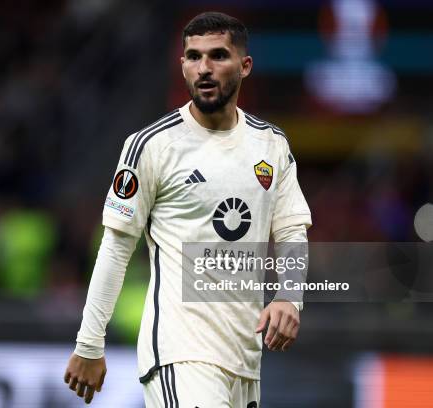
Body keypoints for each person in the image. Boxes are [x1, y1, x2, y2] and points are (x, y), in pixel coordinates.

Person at [64, 11, 312, 407]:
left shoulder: (271, 145)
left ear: (245, 66)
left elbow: (291, 232)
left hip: (245, 360)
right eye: (194, 57)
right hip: (180, 354)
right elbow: (114, 247)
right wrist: (90, 344)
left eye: (218, 56)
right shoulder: (150, 146)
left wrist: (289, 297)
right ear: (181, 65)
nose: (204, 68)